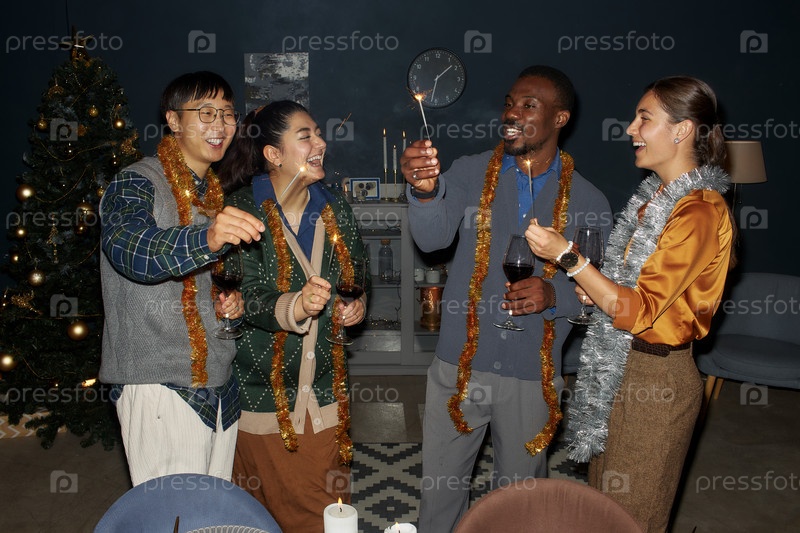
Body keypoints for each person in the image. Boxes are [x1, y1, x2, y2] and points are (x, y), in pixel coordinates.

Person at [400, 65, 613, 532]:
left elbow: (598, 293)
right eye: (509, 103)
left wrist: (554, 294)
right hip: (458, 364)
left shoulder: (588, 200)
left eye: (528, 106)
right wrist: (424, 192)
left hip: (531, 373)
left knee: (519, 506)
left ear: (560, 118)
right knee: (440, 495)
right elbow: (432, 240)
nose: (512, 114)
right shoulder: (470, 171)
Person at [526, 75, 734, 532]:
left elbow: (637, 311)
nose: (630, 129)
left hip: (657, 380)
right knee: (604, 512)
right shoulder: (656, 201)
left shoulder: (699, 211)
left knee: (633, 518)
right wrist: (596, 288)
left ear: (682, 130)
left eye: (644, 118)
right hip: (617, 366)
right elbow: (626, 296)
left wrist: (568, 257)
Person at [99, 71, 266, 486]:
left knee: (212, 512)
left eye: (227, 113)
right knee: (173, 512)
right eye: (205, 112)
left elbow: (196, 281)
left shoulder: (212, 193)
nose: (220, 124)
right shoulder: (136, 181)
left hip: (219, 383)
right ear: (173, 120)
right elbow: (131, 250)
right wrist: (208, 238)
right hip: (161, 386)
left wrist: (226, 303)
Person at [218, 101, 370, 532]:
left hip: (327, 392)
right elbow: (243, 293)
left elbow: (358, 274)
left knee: (329, 511)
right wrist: (296, 306)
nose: (321, 143)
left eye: (318, 133)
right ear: (273, 154)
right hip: (264, 398)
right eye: (306, 136)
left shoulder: (335, 207)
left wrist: (357, 305)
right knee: (259, 516)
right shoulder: (242, 210)